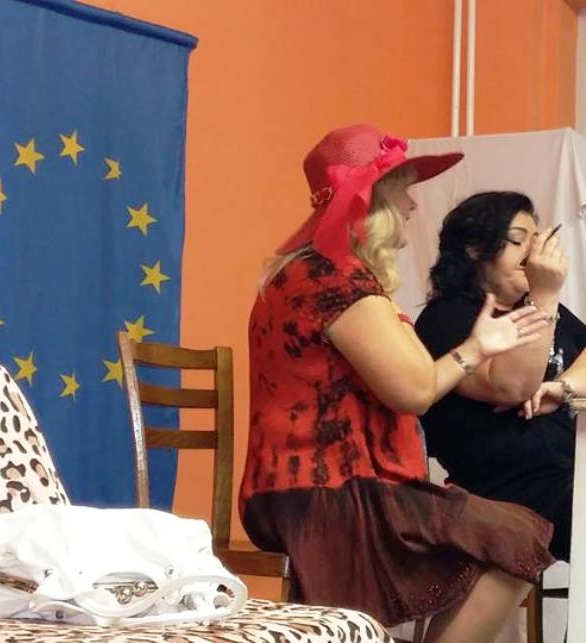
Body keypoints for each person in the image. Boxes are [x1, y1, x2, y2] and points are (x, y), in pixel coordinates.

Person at [239, 125, 557, 643]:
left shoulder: (325, 274)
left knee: (512, 534)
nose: (412, 205)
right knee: (514, 538)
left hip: (318, 485)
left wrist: (476, 347)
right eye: (403, 190)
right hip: (324, 491)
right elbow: (414, 391)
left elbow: (417, 375)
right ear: (375, 200)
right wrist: (476, 349)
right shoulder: (333, 280)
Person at [415, 191, 586, 562]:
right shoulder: (446, 317)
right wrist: (545, 296)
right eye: (517, 240)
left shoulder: (540, 308)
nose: (532, 251)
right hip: (508, 489)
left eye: (536, 239)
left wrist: (562, 387)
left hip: (572, 473)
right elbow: (510, 387)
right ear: (475, 249)